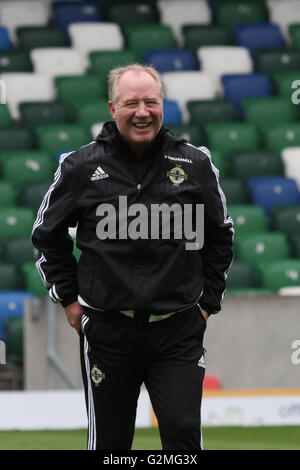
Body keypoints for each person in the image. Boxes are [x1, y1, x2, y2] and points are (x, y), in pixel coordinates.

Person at [31, 64, 234, 451]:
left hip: (177, 330)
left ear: (163, 106)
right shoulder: (79, 166)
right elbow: (46, 236)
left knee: (183, 439)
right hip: (108, 331)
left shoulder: (196, 164)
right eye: (131, 103)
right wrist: (70, 300)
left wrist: (207, 304)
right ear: (112, 108)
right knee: (110, 445)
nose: (142, 111)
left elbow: (220, 235)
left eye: (151, 102)